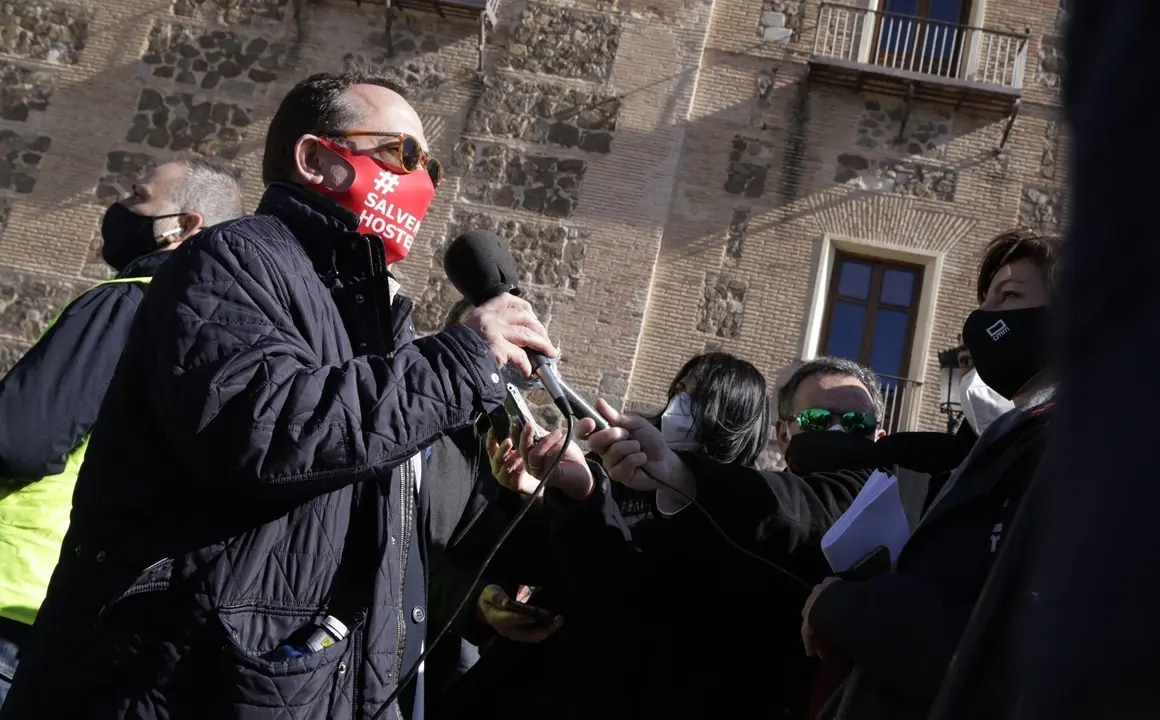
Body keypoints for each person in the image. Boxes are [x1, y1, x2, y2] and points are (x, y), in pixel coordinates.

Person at [0, 66, 555, 720]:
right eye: (401, 154)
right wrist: (461, 361)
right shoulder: (234, 258)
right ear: (317, 158)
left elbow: (378, 528)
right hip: (164, 685)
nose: (422, 179)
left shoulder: (372, 325)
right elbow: (264, 431)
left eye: (429, 164)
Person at [0, 155, 244, 706]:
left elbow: (23, 437)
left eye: (138, 196)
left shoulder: (127, 302)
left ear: (182, 226)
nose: (119, 206)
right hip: (81, 612)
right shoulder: (209, 339)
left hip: (9, 581)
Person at [799, 228, 1058, 720]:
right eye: (985, 300)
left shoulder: (1073, 456)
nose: (983, 318)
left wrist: (846, 607)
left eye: (1010, 296)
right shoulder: (1014, 442)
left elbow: (1005, 651)